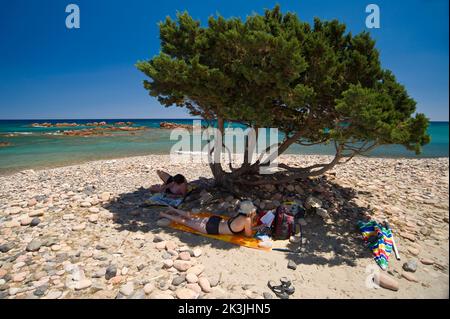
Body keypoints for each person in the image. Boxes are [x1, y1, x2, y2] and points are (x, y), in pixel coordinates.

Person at [159, 200, 258, 237]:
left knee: (192, 217)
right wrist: (255, 225)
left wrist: (256, 227)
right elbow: (248, 234)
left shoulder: (239, 215)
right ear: (250, 212)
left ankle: (172, 209)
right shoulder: (247, 220)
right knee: (186, 222)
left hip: (214, 220)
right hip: (211, 228)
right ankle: (164, 215)